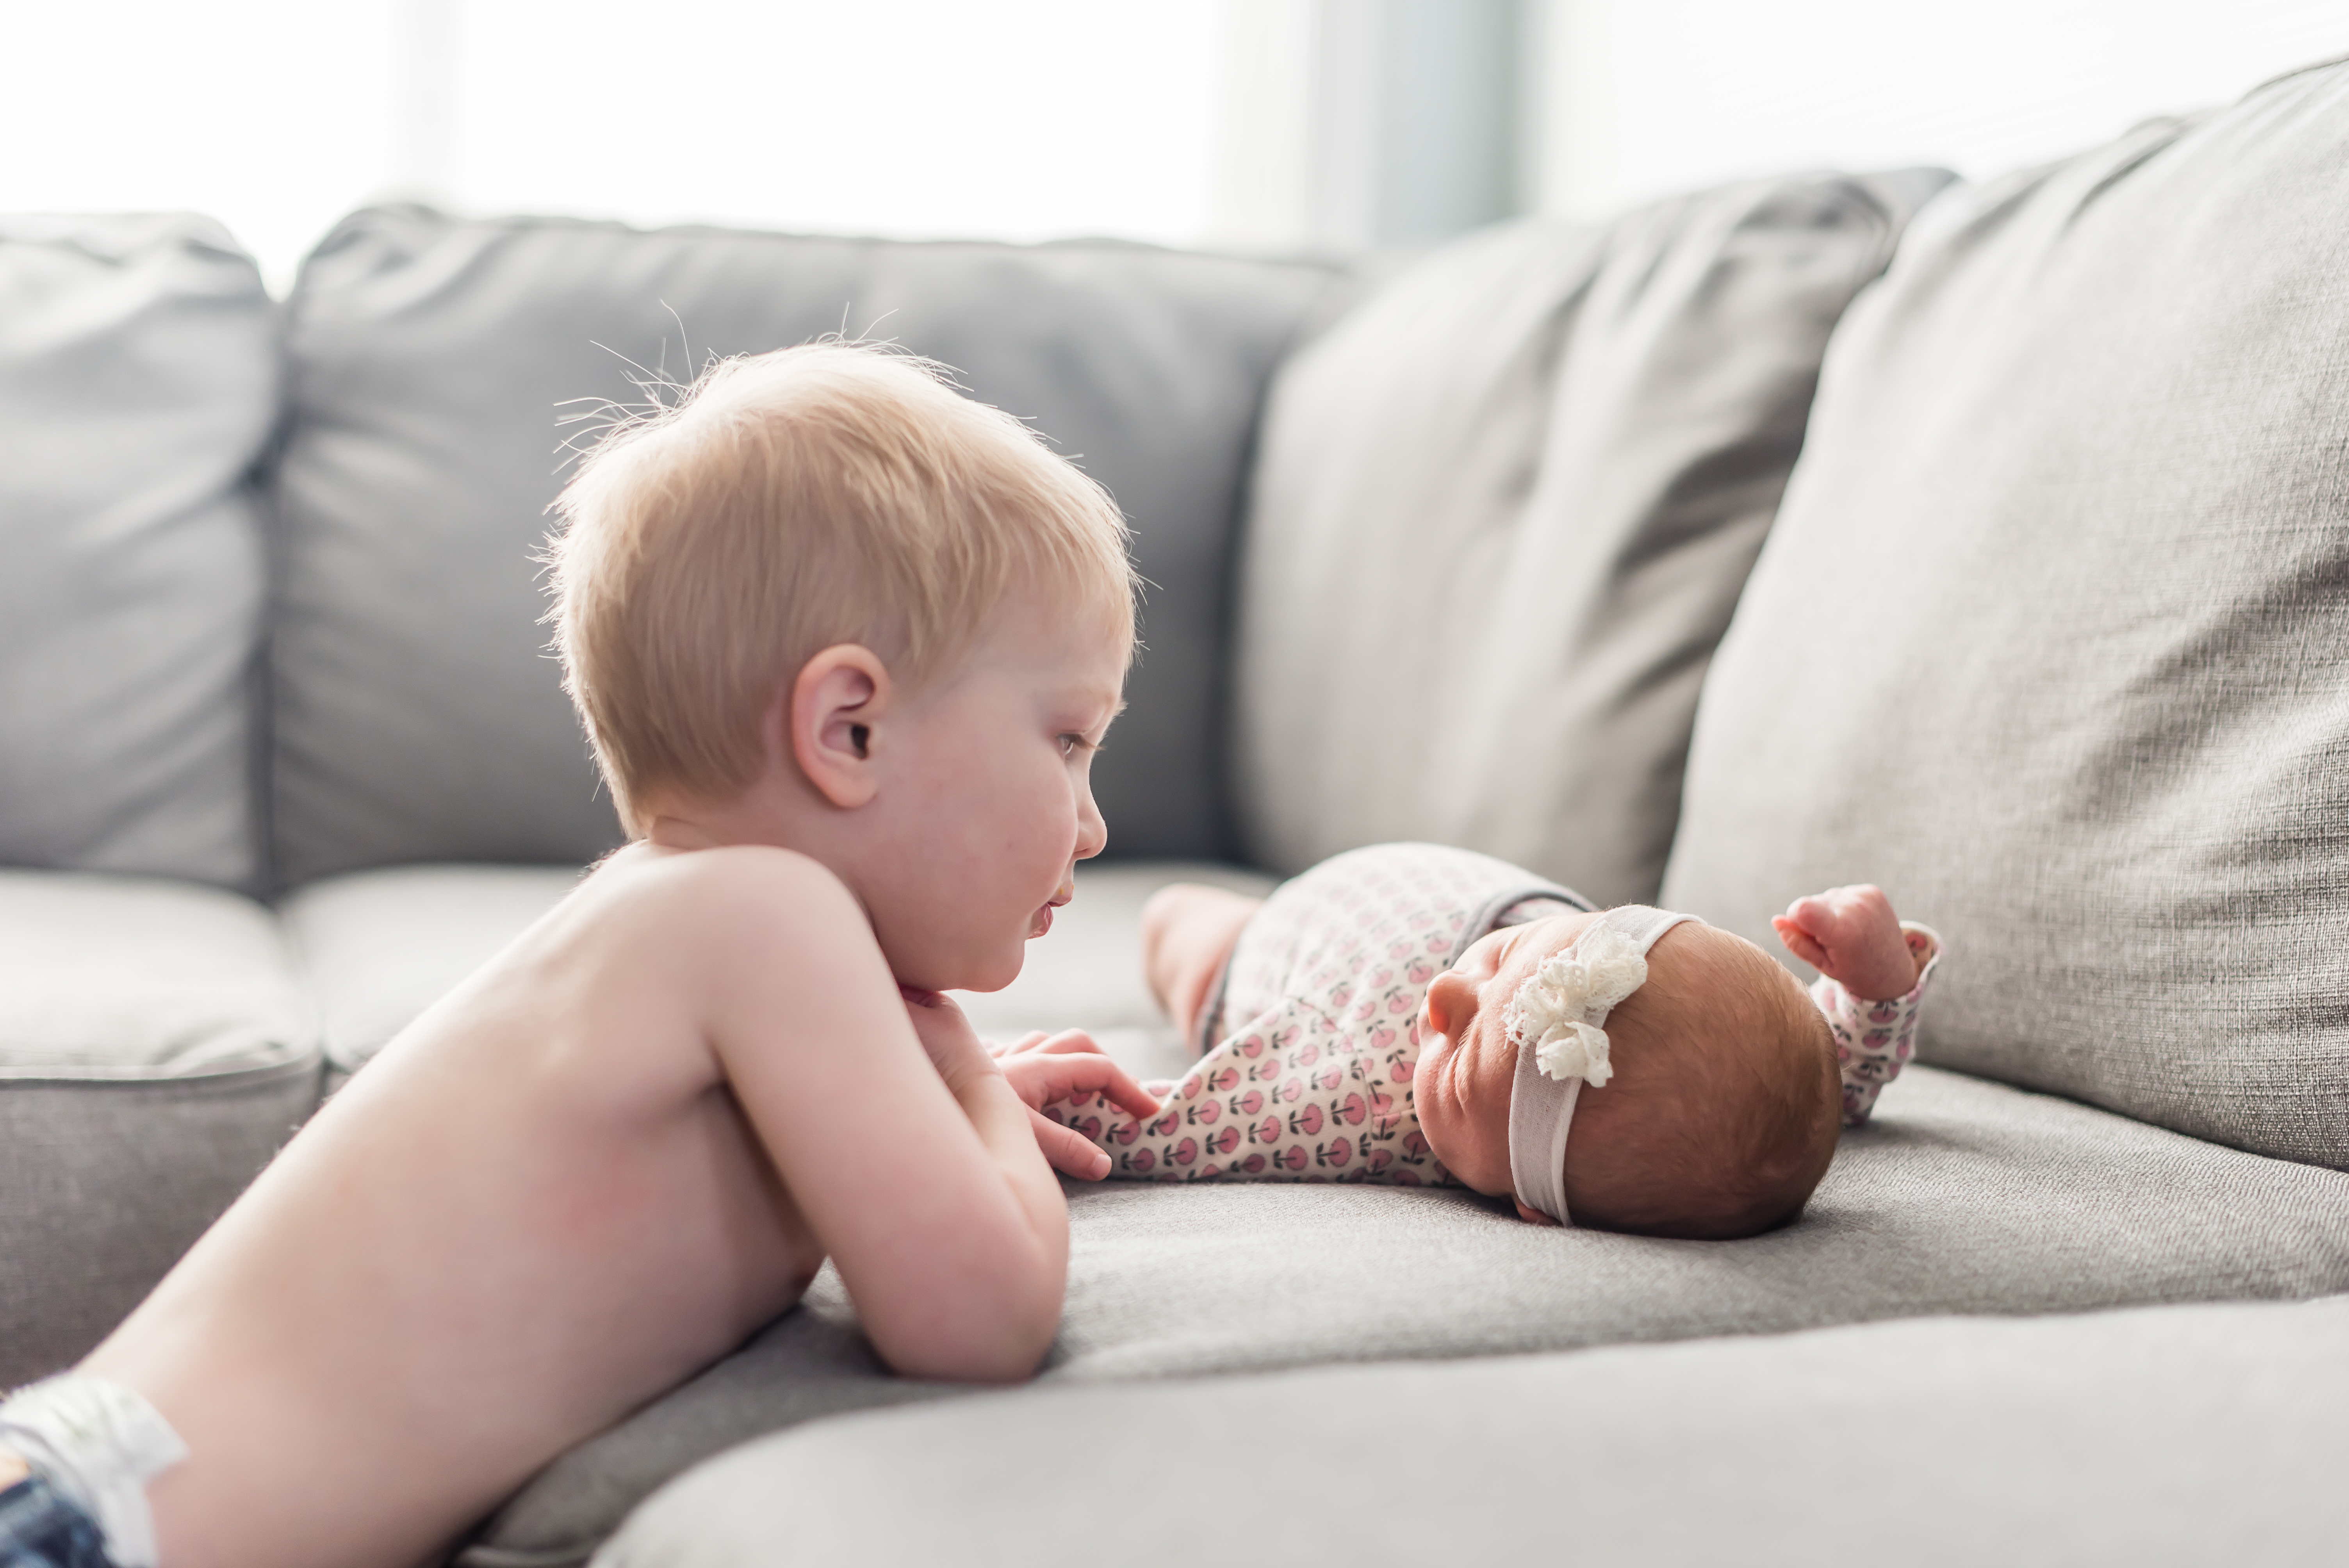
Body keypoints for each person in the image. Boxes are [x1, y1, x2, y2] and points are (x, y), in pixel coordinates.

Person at [0, 343, 1161, 1568]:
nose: (1091, 823)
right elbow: (979, 1322)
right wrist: (970, 1087)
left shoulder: (679, 925)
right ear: (848, 728)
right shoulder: (766, 920)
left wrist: (931, 1100)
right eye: (1070, 739)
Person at [1032, 842, 1941, 1237]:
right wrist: (1872, 988)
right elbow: (1826, 1079)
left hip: (1273, 953)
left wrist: (1027, 1093)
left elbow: (1163, 1128)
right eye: (1502, 954)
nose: (1442, 993)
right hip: (1399, 881)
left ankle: (1196, 947)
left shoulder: (1342, 1110)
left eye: (1460, 1065)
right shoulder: (1717, 1053)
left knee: (1170, 921)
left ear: (1532, 1208)